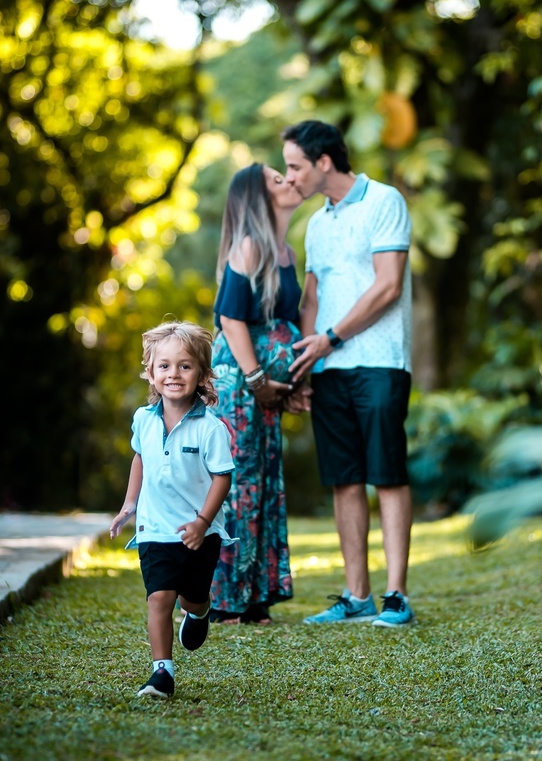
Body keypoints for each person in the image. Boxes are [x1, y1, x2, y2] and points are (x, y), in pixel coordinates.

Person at [282, 120, 416, 628]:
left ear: (323, 162)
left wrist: (331, 338)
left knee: (387, 474)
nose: (290, 177)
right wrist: (304, 368)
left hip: (381, 362)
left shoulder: (384, 201)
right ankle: (357, 596)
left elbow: (388, 286)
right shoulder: (316, 224)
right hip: (329, 368)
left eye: (295, 166)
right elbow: (311, 299)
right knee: (344, 480)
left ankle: (396, 595)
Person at [109, 320, 236, 698]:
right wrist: (129, 504)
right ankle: (161, 672)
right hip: (155, 528)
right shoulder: (142, 420)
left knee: (189, 596)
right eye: (164, 365)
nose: (173, 374)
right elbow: (140, 458)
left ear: (202, 375)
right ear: (150, 373)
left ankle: (200, 610)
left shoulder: (211, 428)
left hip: (200, 533)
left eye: (185, 366)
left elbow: (222, 478)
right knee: (159, 598)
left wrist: (201, 522)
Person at [206, 162, 308, 625]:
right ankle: (224, 599)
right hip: (239, 383)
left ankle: (255, 597)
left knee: (265, 480)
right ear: (258, 198)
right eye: (276, 179)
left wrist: (290, 385)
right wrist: (258, 380)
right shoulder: (249, 247)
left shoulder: (286, 252)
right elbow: (231, 319)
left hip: (263, 388)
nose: (288, 180)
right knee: (238, 483)